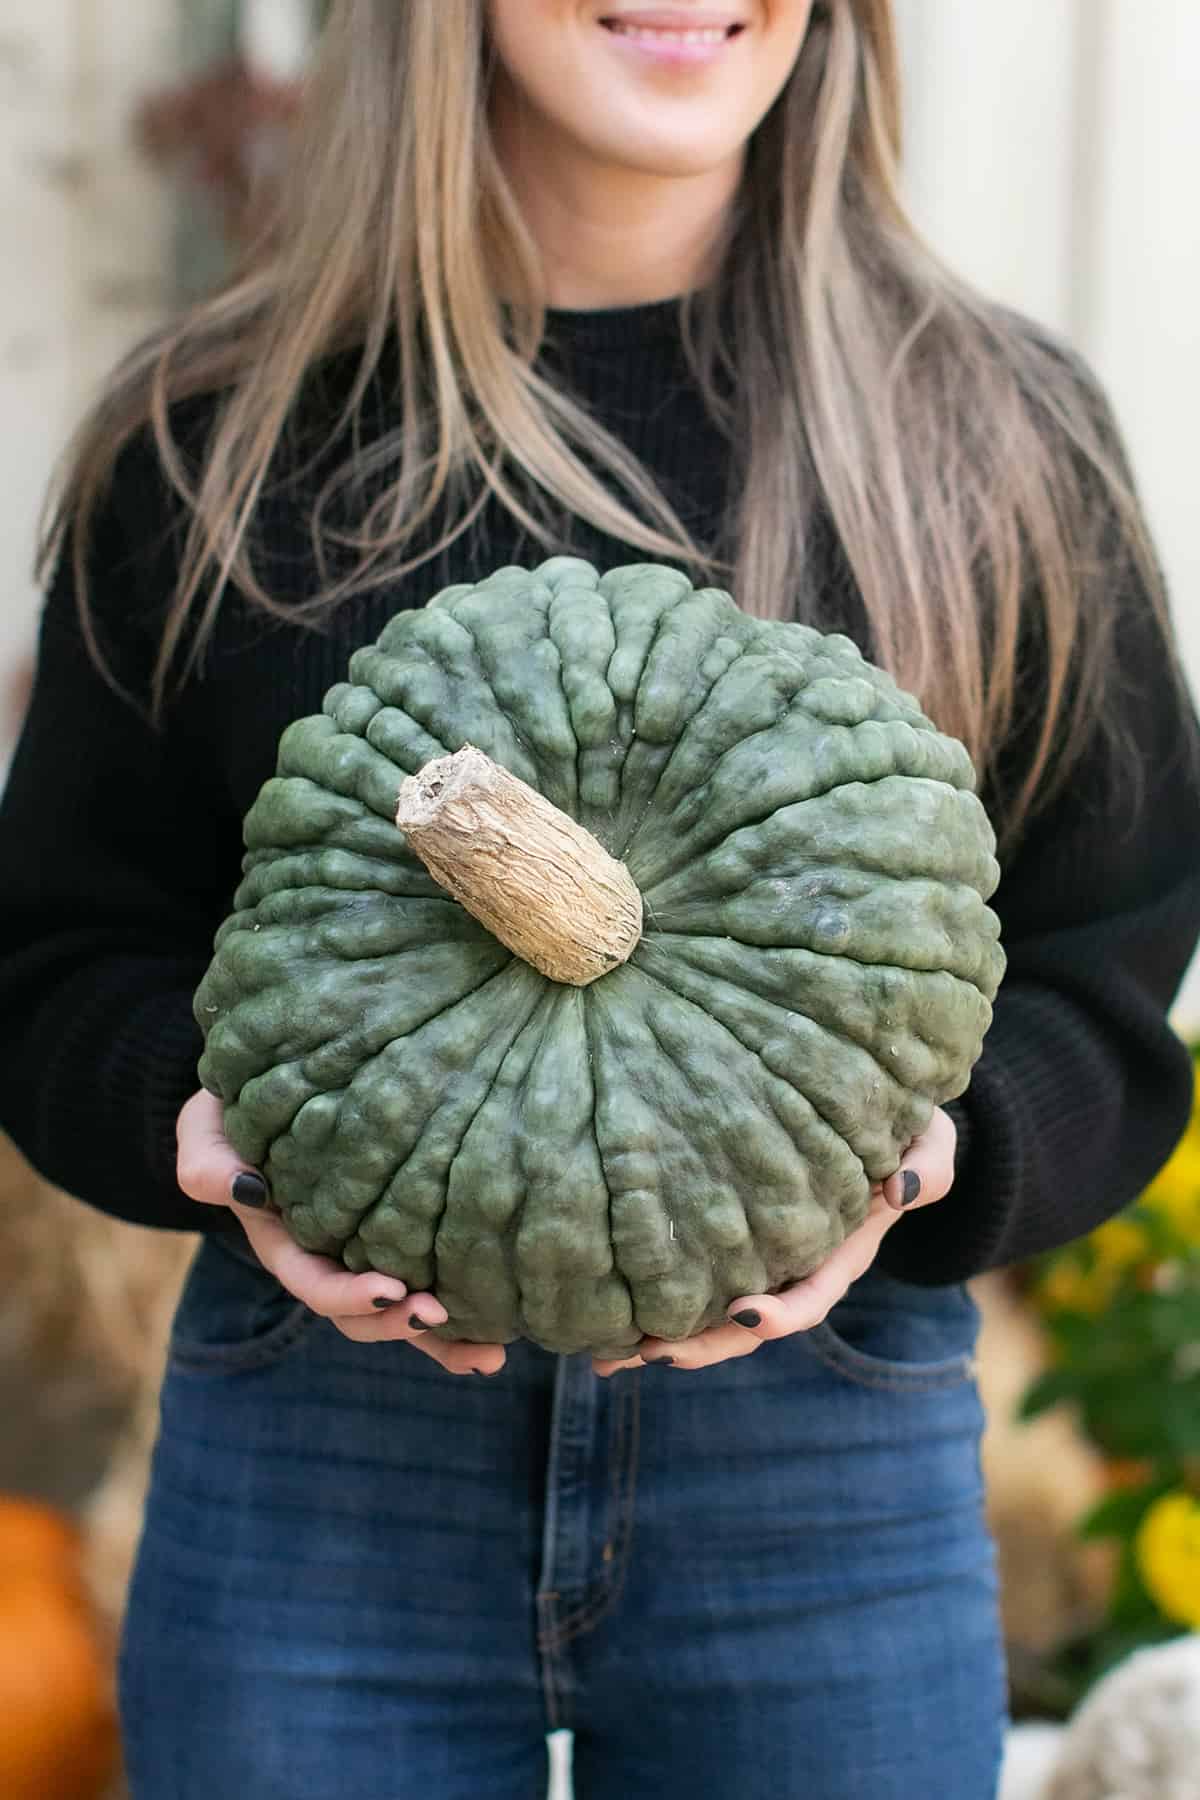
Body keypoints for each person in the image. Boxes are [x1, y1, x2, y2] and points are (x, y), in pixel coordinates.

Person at [2, 2, 1198, 1794]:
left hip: (822, 1457)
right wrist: (223, 1129)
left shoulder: (995, 432)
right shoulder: (217, 436)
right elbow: (54, 961)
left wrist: (934, 1163)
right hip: (324, 1464)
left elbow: (1108, 981)